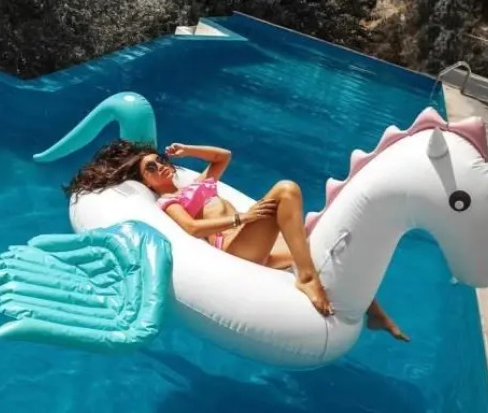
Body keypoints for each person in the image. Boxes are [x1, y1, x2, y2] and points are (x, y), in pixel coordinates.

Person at [65, 139, 409, 340]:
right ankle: (306, 278)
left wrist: (186, 150)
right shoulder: (168, 202)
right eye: (150, 170)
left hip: (251, 242)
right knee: (287, 189)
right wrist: (242, 218)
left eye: (160, 161)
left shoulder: (199, 184)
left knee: (321, 245)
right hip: (232, 248)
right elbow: (192, 228)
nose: (160, 168)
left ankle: (374, 312)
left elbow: (223, 156)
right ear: (147, 183)